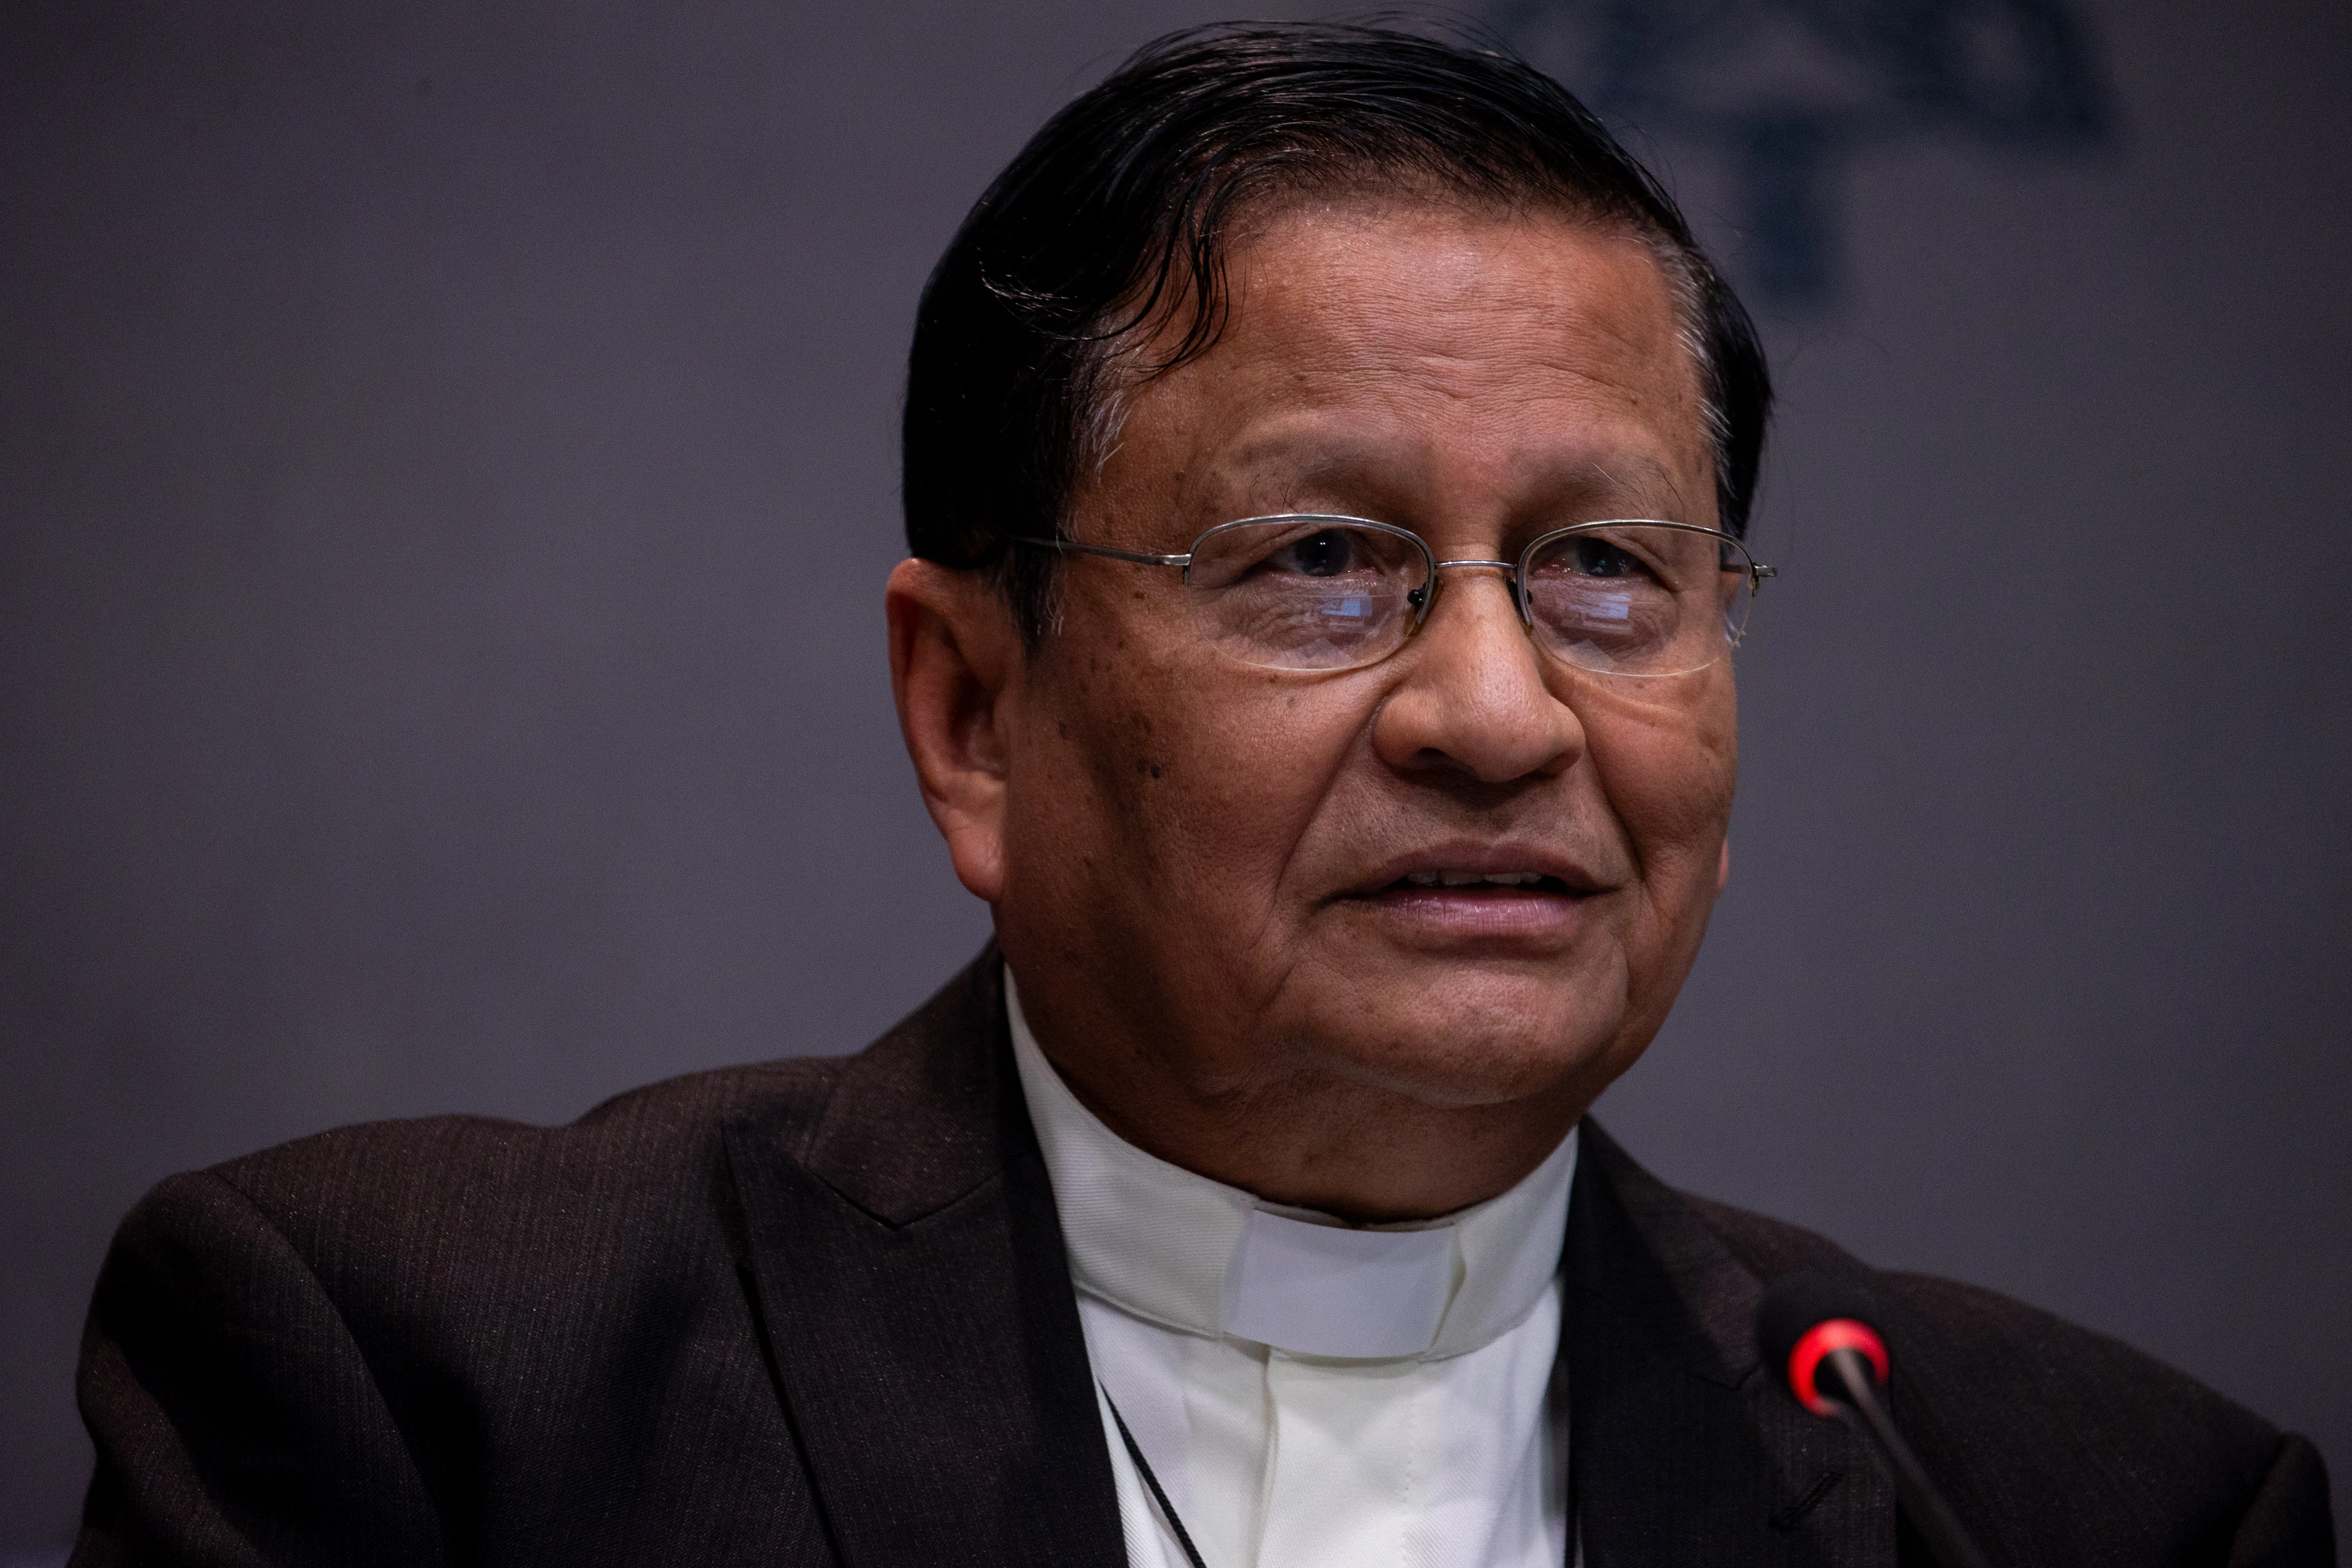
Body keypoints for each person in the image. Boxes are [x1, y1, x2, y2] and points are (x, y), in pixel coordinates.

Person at [69, 23, 2332, 1568]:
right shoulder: (442, 1388)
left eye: (1607, 575)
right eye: (1322, 563)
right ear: (974, 711)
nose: (1495, 708)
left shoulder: (2087, 1506)